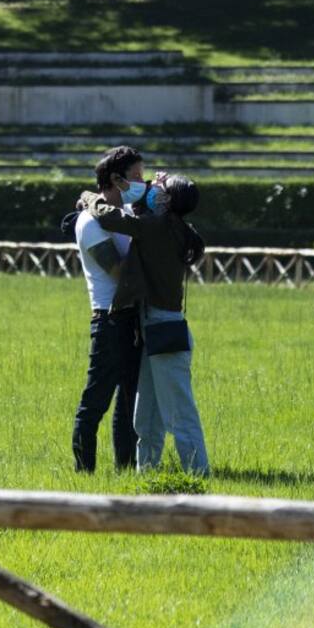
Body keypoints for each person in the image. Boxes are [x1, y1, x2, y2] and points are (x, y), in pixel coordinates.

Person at [83, 173, 210, 476]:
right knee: (147, 414)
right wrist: (148, 193)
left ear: (167, 200)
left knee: (179, 413)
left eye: (159, 187)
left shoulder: (156, 227)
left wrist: (89, 198)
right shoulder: (174, 227)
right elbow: (141, 210)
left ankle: (198, 475)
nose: (152, 187)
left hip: (161, 329)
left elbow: (110, 217)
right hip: (157, 327)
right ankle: (146, 475)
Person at [71, 146, 148, 473]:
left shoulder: (126, 216)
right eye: (136, 177)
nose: (141, 183)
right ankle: (83, 470)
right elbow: (118, 272)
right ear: (116, 180)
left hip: (131, 317)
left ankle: (125, 467)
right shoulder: (91, 223)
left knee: (130, 401)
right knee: (95, 402)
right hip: (109, 318)